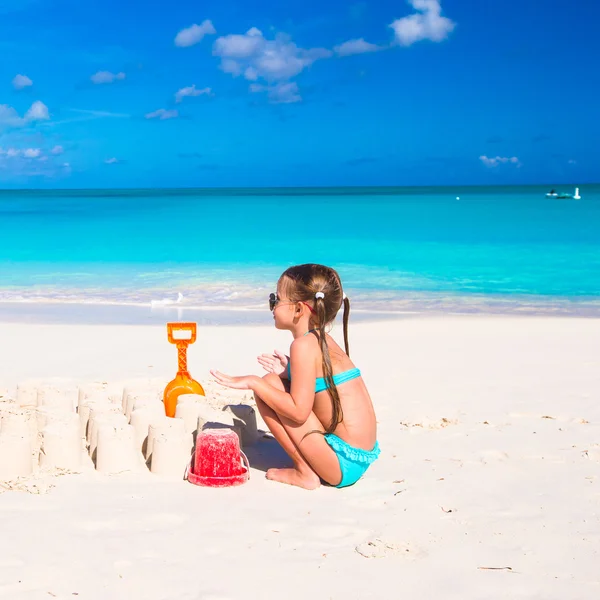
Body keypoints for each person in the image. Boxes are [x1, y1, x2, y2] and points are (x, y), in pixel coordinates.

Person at [210, 263, 380, 490]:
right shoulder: (323, 340)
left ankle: (305, 472)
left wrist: (254, 382)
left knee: (266, 385)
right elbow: (323, 384)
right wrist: (289, 371)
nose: (272, 306)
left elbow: (299, 413)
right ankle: (308, 468)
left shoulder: (302, 346)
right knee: (273, 382)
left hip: (340, 463)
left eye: (276, 299)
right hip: (359, 458)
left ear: (299, 309)